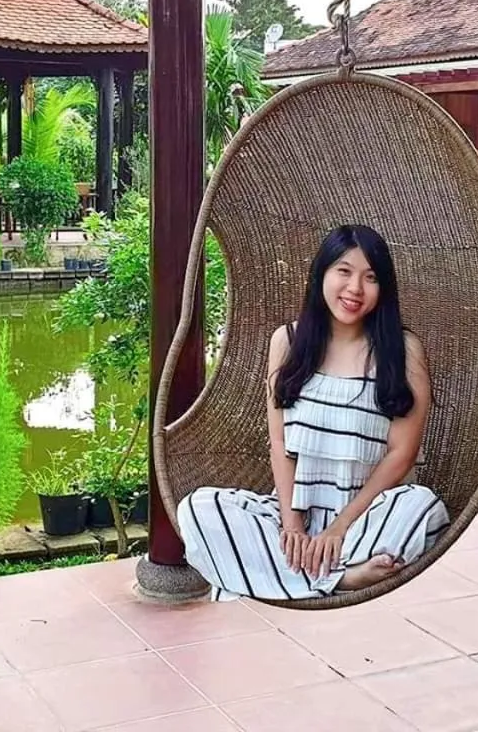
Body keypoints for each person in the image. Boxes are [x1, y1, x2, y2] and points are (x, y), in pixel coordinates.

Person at [177, 224, 450, 602]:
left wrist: (339, 528)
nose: (355, 288)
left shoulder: (403, 350)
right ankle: (343, 579)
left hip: (369, 518)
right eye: (344, 271)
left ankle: (286, 575)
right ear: (321, 274)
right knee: (198, 509)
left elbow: (402, 454)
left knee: (420, 508)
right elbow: (279, 443)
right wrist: (292, 525)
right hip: (297, 512)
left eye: (370, 278)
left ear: (383, 288)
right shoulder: (287, 342)